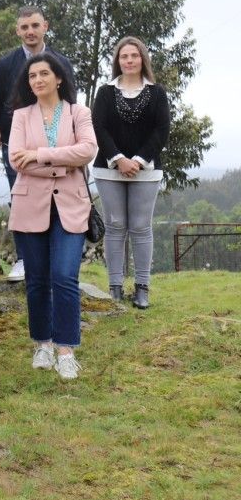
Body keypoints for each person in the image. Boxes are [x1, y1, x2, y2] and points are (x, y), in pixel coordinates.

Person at [8, 52, 97, 380]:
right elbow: (17, 160)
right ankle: (42, 344)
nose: (38, 80)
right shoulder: (20, 116)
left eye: (44, 74)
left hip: (71, 206)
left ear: (58, 78)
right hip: (30, 205)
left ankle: (66, 350)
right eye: (32, 76)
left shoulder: (79, 113)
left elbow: (88, 150)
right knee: (37, 281)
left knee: (64, 276)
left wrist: (40, 156)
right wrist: (62, 162)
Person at [0, 7, 75, 283]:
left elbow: (71, 98)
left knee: (57, 196)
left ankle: (54, 257)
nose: (30, 31)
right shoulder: (6, 65)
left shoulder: (61, 63)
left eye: (35, 25)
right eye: (24, 27)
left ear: (45, 26)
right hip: (18, 143)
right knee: (21, 197)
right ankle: (25, 259)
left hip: (55, 142)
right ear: (18, 31)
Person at [91, 37, 170, 309]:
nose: (129, 61)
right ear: (117, 61)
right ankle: (114, 288)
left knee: (140, 227)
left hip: (146, 170)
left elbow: (161, 131)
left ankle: (142, 288)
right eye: (124, 56)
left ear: (142, 59)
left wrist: (136, 160)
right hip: (109, 169)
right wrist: (119, 159)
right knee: (115, 226)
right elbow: (99, 128)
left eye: (134, 56)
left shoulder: (157, 93)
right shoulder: (105, 92)